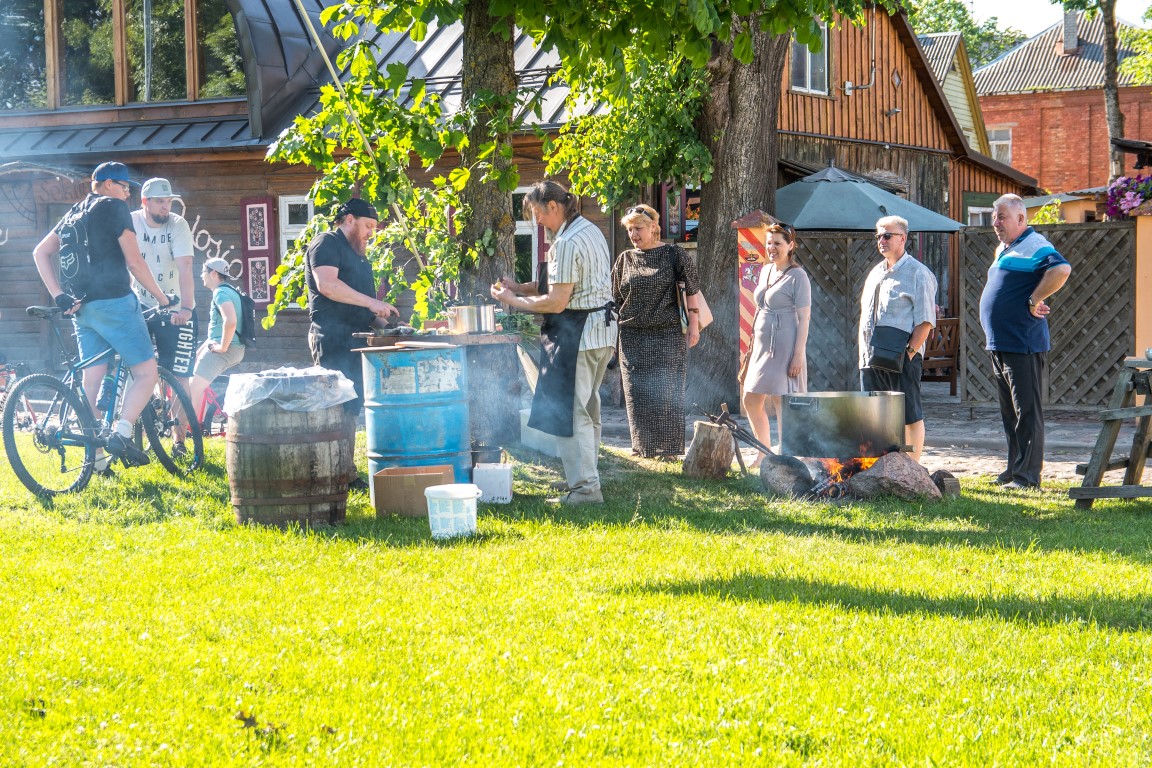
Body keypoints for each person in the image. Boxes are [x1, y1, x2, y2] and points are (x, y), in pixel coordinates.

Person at [31, 161, 174, 467]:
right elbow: (134, 263)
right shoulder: (113, 207)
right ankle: (121, 435)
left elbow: (39, 252)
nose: (128, 194)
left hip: (83, 308)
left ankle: (96, 459)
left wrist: (58, 294)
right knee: (147, 373)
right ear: (108, 184)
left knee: (91, 381)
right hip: (116, 302)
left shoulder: (74, 212)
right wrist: (162, 299)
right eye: (125, 187)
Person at [491, 181, 617, 505]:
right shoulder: (587, 230)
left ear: (553, 207)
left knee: (573, 414)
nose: (538, 222)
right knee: (588, 410)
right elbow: (558, 283)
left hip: (580, 335)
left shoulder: (566, 242)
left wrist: (511, 301)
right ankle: (587, 479)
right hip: (601, 334)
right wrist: (518, 288)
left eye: (537, 213)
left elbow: (558, 301)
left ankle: (586, 490)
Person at [305, 197, 398, 490]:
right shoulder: (326, 243)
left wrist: (391, 329)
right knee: (335, 407)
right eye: (368, 226)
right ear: (349, 220)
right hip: (331, 337)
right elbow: (328, 286)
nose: (372, 232)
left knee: (352, 407)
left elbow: (364, 311)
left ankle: (345, 470)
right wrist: (373, 302)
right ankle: (332, 472)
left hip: (356, 338)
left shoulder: (360, 256)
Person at [979, 194, 1072, 489]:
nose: (996, 222)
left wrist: (1035, 299)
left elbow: (1061, 269)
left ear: (1021, 219)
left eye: (1002, 216)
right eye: (994, 216)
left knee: (1027, 413)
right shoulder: (1004, 248)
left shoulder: (1035, 244)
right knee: (1010, 414)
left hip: (1023, 342)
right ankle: (1013, 470)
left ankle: (1028, 477)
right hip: (1000, 342)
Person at [611, 203, 700, 459]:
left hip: (667, 334)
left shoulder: (674, 254)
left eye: (638, 228)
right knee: (636, 394)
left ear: (653, 227)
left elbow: (692, 292)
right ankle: (643, 447)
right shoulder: (625, 259)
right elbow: (614, 298)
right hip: (631, 336)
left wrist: (693, 327)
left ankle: (669, 449)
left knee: (667, 390)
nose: (634, 235)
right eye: (630, 230)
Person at [858, 215, 937, 462]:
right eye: (878, 236)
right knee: (876, 413)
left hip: (902, 357)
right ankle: (884, 463)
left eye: (887, 235)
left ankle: (912, 467)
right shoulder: (875, 272)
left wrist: (910, 352)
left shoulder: (918, 273)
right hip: (870, 357)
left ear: (903, 238)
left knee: (909, 414)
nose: (881, 240)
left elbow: (925, 321)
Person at [741, 222, 811, 464]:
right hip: (762, 345)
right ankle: (764, 451)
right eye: (769, 242)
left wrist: (798, 355)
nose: (771, 247)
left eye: (777, 243)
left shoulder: (798, 276)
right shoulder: (766, 270)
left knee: (783, 400)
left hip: (785, 344)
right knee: (750, 399)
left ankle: (787, 455)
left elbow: (804, 319)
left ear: (790, 245)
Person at [189, 258, 246, 428]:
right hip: (233, 348)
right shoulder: (231, 291)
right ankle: (198, 424)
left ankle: (188, 431)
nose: (201, 276)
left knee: (191, 389)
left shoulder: (220, 293)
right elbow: (219, 327)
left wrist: (222, 347)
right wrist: (201, 350)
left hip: (226, 350)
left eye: (203, 272)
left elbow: (230, 321)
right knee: (198, 384)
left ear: (213, 273)